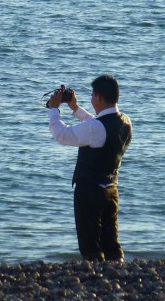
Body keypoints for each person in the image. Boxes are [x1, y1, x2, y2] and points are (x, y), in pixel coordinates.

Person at [47, 75, 132, 262]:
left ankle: (94, 278)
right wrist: (75, 109)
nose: (91, 98)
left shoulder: (96, 128)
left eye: (93, 94)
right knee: (111, 241)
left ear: (99, 98)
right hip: (111, 189)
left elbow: (62, 135)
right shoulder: (125, 122)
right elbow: (98, 124)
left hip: (90, 191)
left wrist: (54, 109)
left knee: (90, 244)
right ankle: (118, 271)